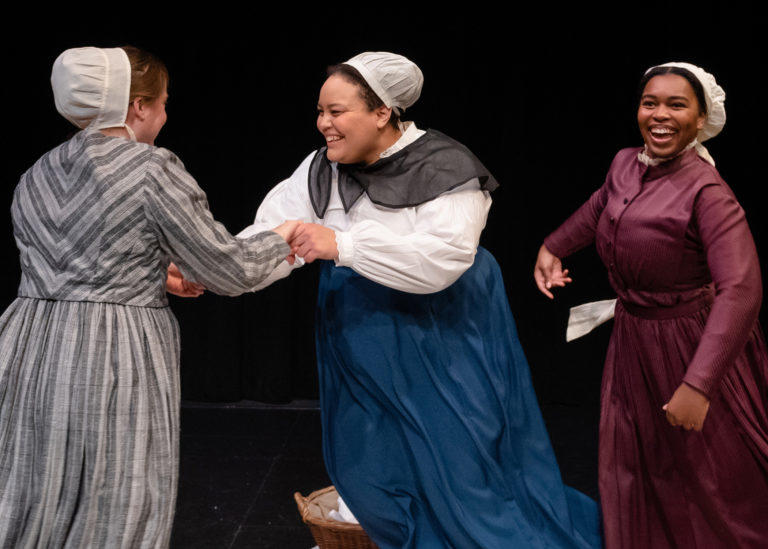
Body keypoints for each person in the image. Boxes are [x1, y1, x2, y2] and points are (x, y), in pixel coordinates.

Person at [240, 51, 601, 548]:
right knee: (371, 460)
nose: (324, 123)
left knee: (460, 467)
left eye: (337, 111)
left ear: (382, 112)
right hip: (361, 332)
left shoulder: (446, 166)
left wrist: (340, 244)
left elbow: (443, 259)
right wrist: (213, 270)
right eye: (321, 111)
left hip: (442, 331)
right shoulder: (319, 168)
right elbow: (271, 234)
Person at [0, 46, 298, 547]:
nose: (164, 113)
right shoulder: (151, 167)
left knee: (35, 489)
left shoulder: (38, 171)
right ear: (137, 106)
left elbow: (73, 262)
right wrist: (284, 237)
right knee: (118, 494)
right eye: (162, 102)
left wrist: (155, 274)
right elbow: (228, 268)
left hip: (31, 346)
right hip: (110, 352)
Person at [535, 62, 768, 548]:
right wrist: (553, 246)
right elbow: (601, 206)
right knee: (639, 463)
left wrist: (699, 385)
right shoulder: (625, 163)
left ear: (702, 119)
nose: (660, 115)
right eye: (650, 103)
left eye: (677, 105)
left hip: (692, 344)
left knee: (709, 474)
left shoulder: (708, 192)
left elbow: (742, 290)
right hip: (635, 340)